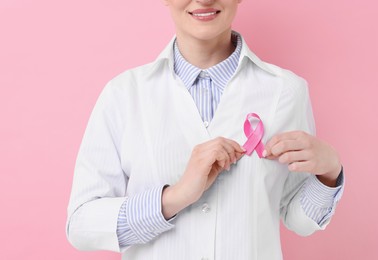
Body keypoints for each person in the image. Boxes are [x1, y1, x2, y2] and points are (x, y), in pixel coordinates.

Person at [66, 0, 344, 259]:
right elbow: (81, 224)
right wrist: (175, 197)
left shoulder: (285, 90)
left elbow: (298, 219)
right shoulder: (124, 94)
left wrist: (329, 173)